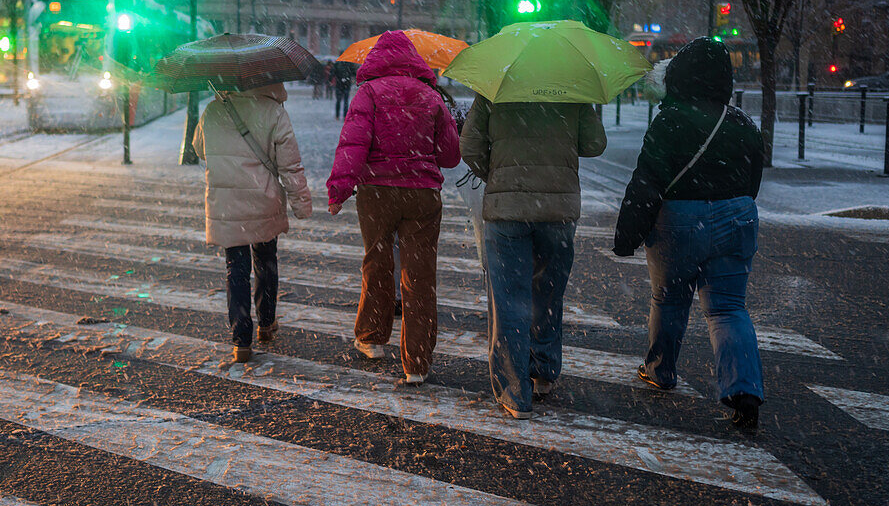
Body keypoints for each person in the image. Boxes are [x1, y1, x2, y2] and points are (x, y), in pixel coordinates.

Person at [613, 37, 764, 429]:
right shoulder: (743, 124)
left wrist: (628, 232)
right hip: (737, 217)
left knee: (669, 299)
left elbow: (648, 181)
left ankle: (661, 370)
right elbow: (752, 182)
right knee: (728, 308)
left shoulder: (671, 119)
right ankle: (744, 390)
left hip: (680, 221)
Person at [460, 94, 606, 420]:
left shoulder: (495, 88)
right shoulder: (572, 90)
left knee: (509, 298)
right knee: (549, 289)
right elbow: (595, 143)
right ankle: (543, 369)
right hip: (558, 211)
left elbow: (468, 146)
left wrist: (496, 174)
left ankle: (515, 392)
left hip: (506, 210)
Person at [326, 31, 460, 385]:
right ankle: (417, 362)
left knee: (378, 262)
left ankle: (371, 337)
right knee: (420, 276)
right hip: (422, 195)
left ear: (376, 60)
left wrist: (339, 189)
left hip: (377, 193)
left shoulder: (368, 94)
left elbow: (352, 145)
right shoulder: (431, 96)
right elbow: (450, 156)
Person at [193, 83, 313, 363]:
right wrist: (301, 203)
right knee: (266, 260)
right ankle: (267, 323)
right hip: (264, 198)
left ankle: (241, 340)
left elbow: (199, 148)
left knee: (236, 267)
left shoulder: (214, 109)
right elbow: (290, 165)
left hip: (227, 201)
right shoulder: (274, 112)